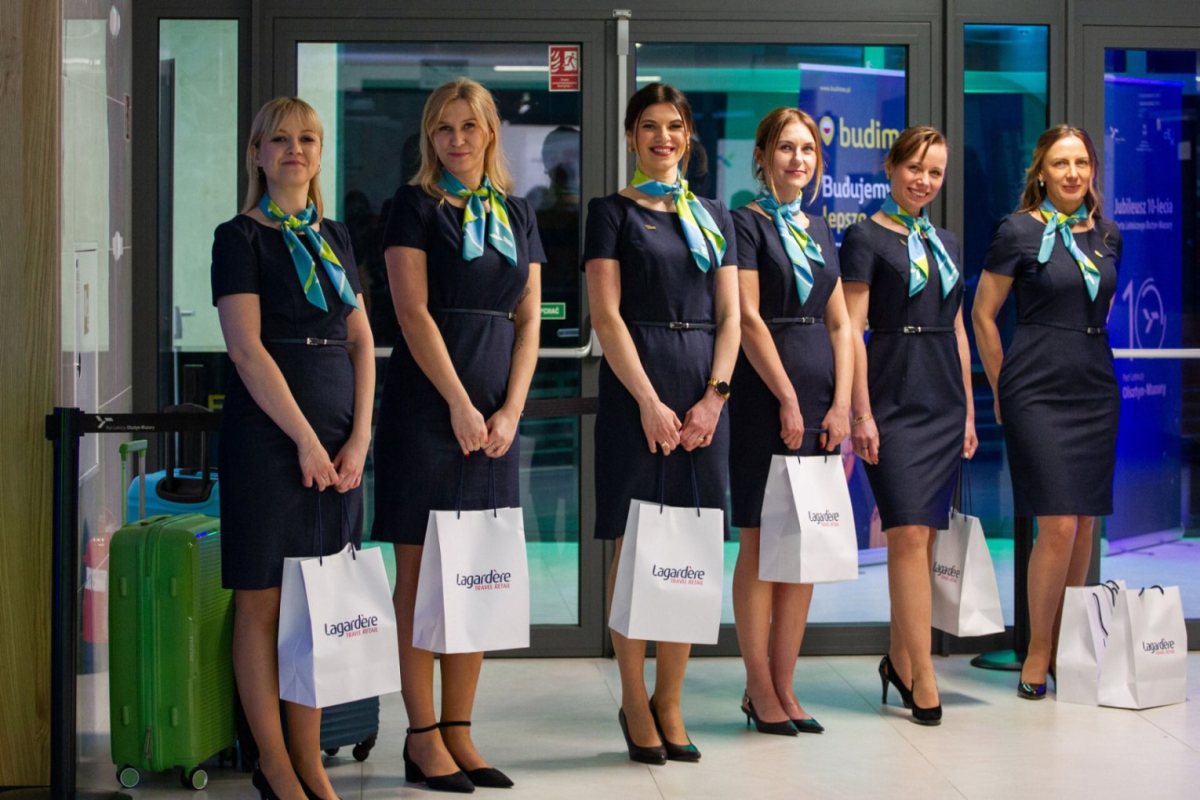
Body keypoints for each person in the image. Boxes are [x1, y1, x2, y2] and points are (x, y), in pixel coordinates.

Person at [371, 77, 543, 792]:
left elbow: (529, 320)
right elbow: (412, 314)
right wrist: (459, 404)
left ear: (490, 132)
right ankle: (421, 736)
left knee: (476, 573)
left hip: (495, 418)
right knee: (419, 580)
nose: (457, 140)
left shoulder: (517, 213)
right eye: (443, 129)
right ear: (429, 138)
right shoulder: (412, 206)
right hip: (427, 413)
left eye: (469, 126)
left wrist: (511, 409)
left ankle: (461, 730)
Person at [212, 96, 374, 800]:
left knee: (317, 603)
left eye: (306, 138)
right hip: (269, 443)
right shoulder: (238, 238)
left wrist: (359, 436)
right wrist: (305, 441)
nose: (294, 150)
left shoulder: (333, 236)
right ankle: (275, 765)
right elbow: (246, 350)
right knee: (263, 603)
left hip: (338, 443)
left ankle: (310, 761)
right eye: (278, 139)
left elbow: (362, 340)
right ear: (256, 153)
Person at [583, 82, 740, 764]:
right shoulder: (611, 212)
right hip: (637, 392)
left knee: (690, 550)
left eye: (674, 126)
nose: (663, 138)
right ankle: (633, 696)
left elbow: (731, 316)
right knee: (636, 547)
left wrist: (716, 398)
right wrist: (648, 400)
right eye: (649, 126)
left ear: (688, 136)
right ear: (630, 137)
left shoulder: (714, 214)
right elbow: (606, 315)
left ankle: (670, 700)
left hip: (704, 393)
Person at [971, 125, 1121, 700]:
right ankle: (1037, 652)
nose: (1072, 173)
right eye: (1060, 163)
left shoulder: (1108, 235)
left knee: (1084, 523)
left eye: (1081, 162)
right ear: (1041, 171)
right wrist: (1001, 385)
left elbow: (1099, 308)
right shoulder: (1018, 231)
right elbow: (984, 315)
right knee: (1056, 523)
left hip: (1094, 387)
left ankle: (1068, 648)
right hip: (1034, 389)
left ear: (1092, 170)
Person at [840, 125, 977, 726]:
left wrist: (968, 409)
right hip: (892, 391)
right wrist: (860, 411)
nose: (924, 180)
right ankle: (923, 673)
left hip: (943, 396)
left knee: (927, 537)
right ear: (891, 166)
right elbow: (852, 330)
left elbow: (960, 328)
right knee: (906, 535)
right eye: (915, 167)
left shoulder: (945, 241)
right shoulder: (863, 236)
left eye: (935, 172)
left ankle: (900, 659)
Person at [729, 107, 853, 736]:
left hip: (821, 400)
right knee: (760, 543)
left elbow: (841, 323)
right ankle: (757, 687)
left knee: (804, 547)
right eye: (785, 147)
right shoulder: (744, 223)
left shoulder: (820, 227)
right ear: (763, 156)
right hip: (765, 397)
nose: (797, 159)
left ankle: (785, 683)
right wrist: (786, 397)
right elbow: (748, 318)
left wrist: (843, 403)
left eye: (807, 149)